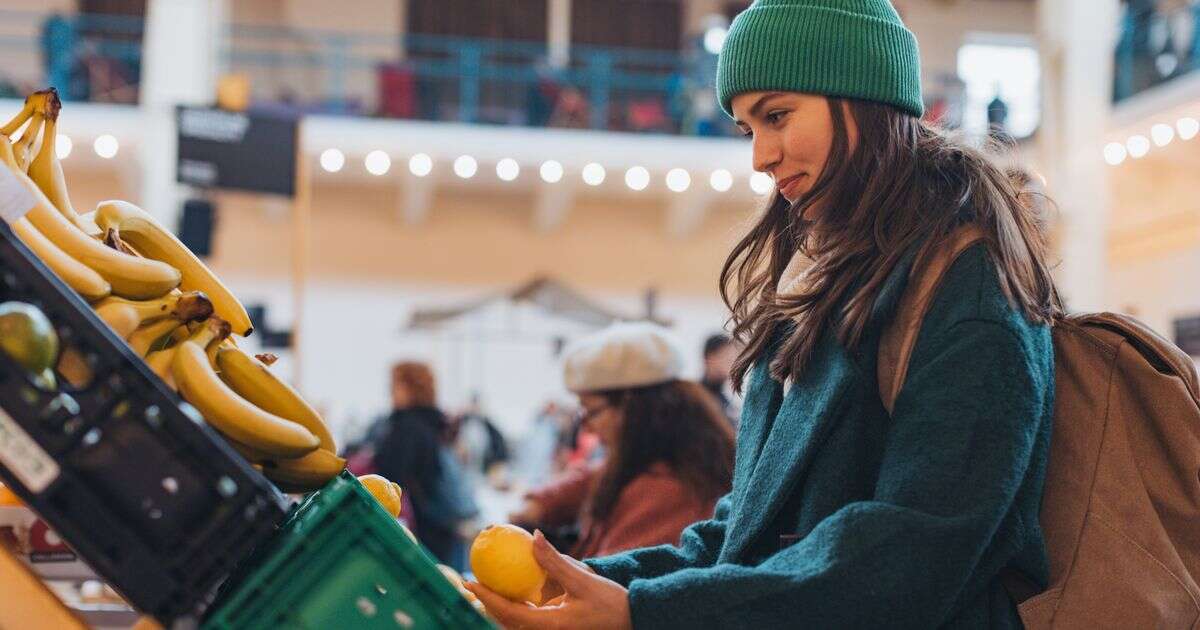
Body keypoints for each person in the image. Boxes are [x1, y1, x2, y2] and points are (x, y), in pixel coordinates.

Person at [466, 1, 1061, 628]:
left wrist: (643, 612)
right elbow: (743, 533)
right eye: (749, 128)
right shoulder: (827, 281)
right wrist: (585, 581)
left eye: (777, 115)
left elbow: (915, 548)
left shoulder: (969, 282)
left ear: (861, 92)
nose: (760, 156)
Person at [508, 322, 735, 560]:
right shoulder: (663, 460)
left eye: (592, 412)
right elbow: (592, 477)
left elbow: (603, 582)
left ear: (633, 409)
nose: (586, 426)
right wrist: (538, 504)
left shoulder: (666, 490)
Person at [372, 361, 478, 571]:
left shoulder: (408, 427)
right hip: (444, 524)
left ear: (409, 388)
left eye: (394, 385)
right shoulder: (437, 424)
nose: (390, 392)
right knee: (448, 581)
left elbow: (391, 477)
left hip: (421, 526)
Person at [699, 333, 739, 427]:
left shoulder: (727, 402)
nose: (731, 362)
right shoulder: (695, 398)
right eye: (726, 356)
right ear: (709, 358)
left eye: (732, 357)